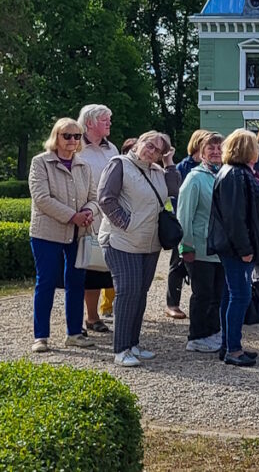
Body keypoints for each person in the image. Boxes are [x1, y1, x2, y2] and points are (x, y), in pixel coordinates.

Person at [97, 130, 180, 367]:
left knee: (140, 293)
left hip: (149, 243)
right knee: (127, 292)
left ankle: (133, 344)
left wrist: (169, 162)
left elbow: (174, 189)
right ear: (138, 142)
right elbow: (105, 198)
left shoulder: (157, 171)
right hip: (122, 241)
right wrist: (126, 224)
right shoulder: (119, 164)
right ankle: (120, 349)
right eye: (149, 145)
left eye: (158, 150)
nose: (152, 151)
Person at [27, 118, 98, 353]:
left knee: (76, 283)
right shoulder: (40, 162)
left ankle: (74, 333)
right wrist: (72, 216)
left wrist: (89, 211)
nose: (72, 140)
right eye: (67, 135)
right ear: (56, 137)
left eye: (77, 136)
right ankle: (41, 336)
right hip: (47, 233)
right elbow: (41, 198)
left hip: (78, 234)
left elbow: (94, 197)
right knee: (46, 282)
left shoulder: (84, 166)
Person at [208, 129, 259, 367]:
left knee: (231, 295)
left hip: (232, 246)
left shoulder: (234, 172)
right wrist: (245, 249)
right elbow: (235, 217)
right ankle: (233, 349)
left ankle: (229, 345)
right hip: (236, 248)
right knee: (240, 296)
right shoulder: (235, 175)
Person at [176, 132, 224, 353]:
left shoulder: (224, 174)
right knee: (203, 294)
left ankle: (213, 332)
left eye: (219, 148)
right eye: (211, 148)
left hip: (220, 248)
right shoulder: (195, 178)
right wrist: (186, 246)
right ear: (202, 152)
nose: (216, 152)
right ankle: (196, 336)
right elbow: (184, 214)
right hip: (200, 247)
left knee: (217, 294)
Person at [77, 104, 118, 329]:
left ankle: (99, 315)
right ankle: (88, 317)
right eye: (105, 120)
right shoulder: (77, 147)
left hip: (108, 217)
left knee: (103, 269)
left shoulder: (112, 148)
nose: (109, 123)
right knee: (86, 269)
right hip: (83, 215)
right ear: (90, 123)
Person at [166, 129, 211, 320]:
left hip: (202, 225)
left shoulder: (211, 167)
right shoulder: (184, 167)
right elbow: (177, 197)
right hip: (183, 222)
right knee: (177, 265)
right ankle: (172, 303)